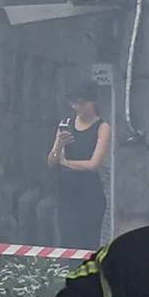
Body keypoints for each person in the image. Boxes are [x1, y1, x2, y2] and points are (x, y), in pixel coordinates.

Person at [47, 80, 112, 248]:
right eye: (74, 103)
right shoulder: (65, 124)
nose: (77, 107)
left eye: (82, 103)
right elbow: (52, 162)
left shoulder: (102, 127)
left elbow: (93, 164)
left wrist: (66, 162)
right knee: (68, 240)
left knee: (88, 242)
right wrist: (59, 146)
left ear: (92, 102)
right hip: (67, 193)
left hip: (89, 194)